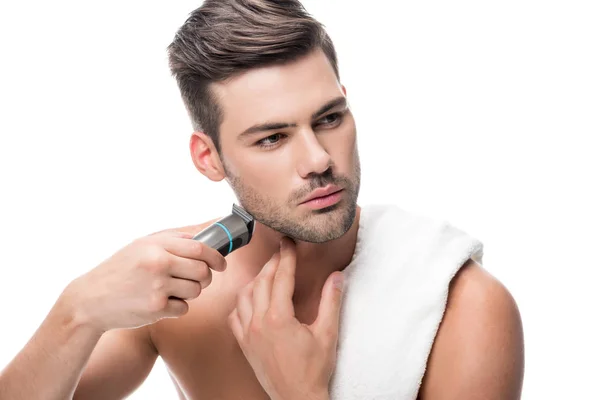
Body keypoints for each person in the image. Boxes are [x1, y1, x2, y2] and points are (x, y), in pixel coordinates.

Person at [0, 1, 524, 399]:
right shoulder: (176, 296)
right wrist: (76, 312)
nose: (318, 159)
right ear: (209, 158)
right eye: (272, 138)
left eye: (330, 118)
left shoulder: (461, 308)